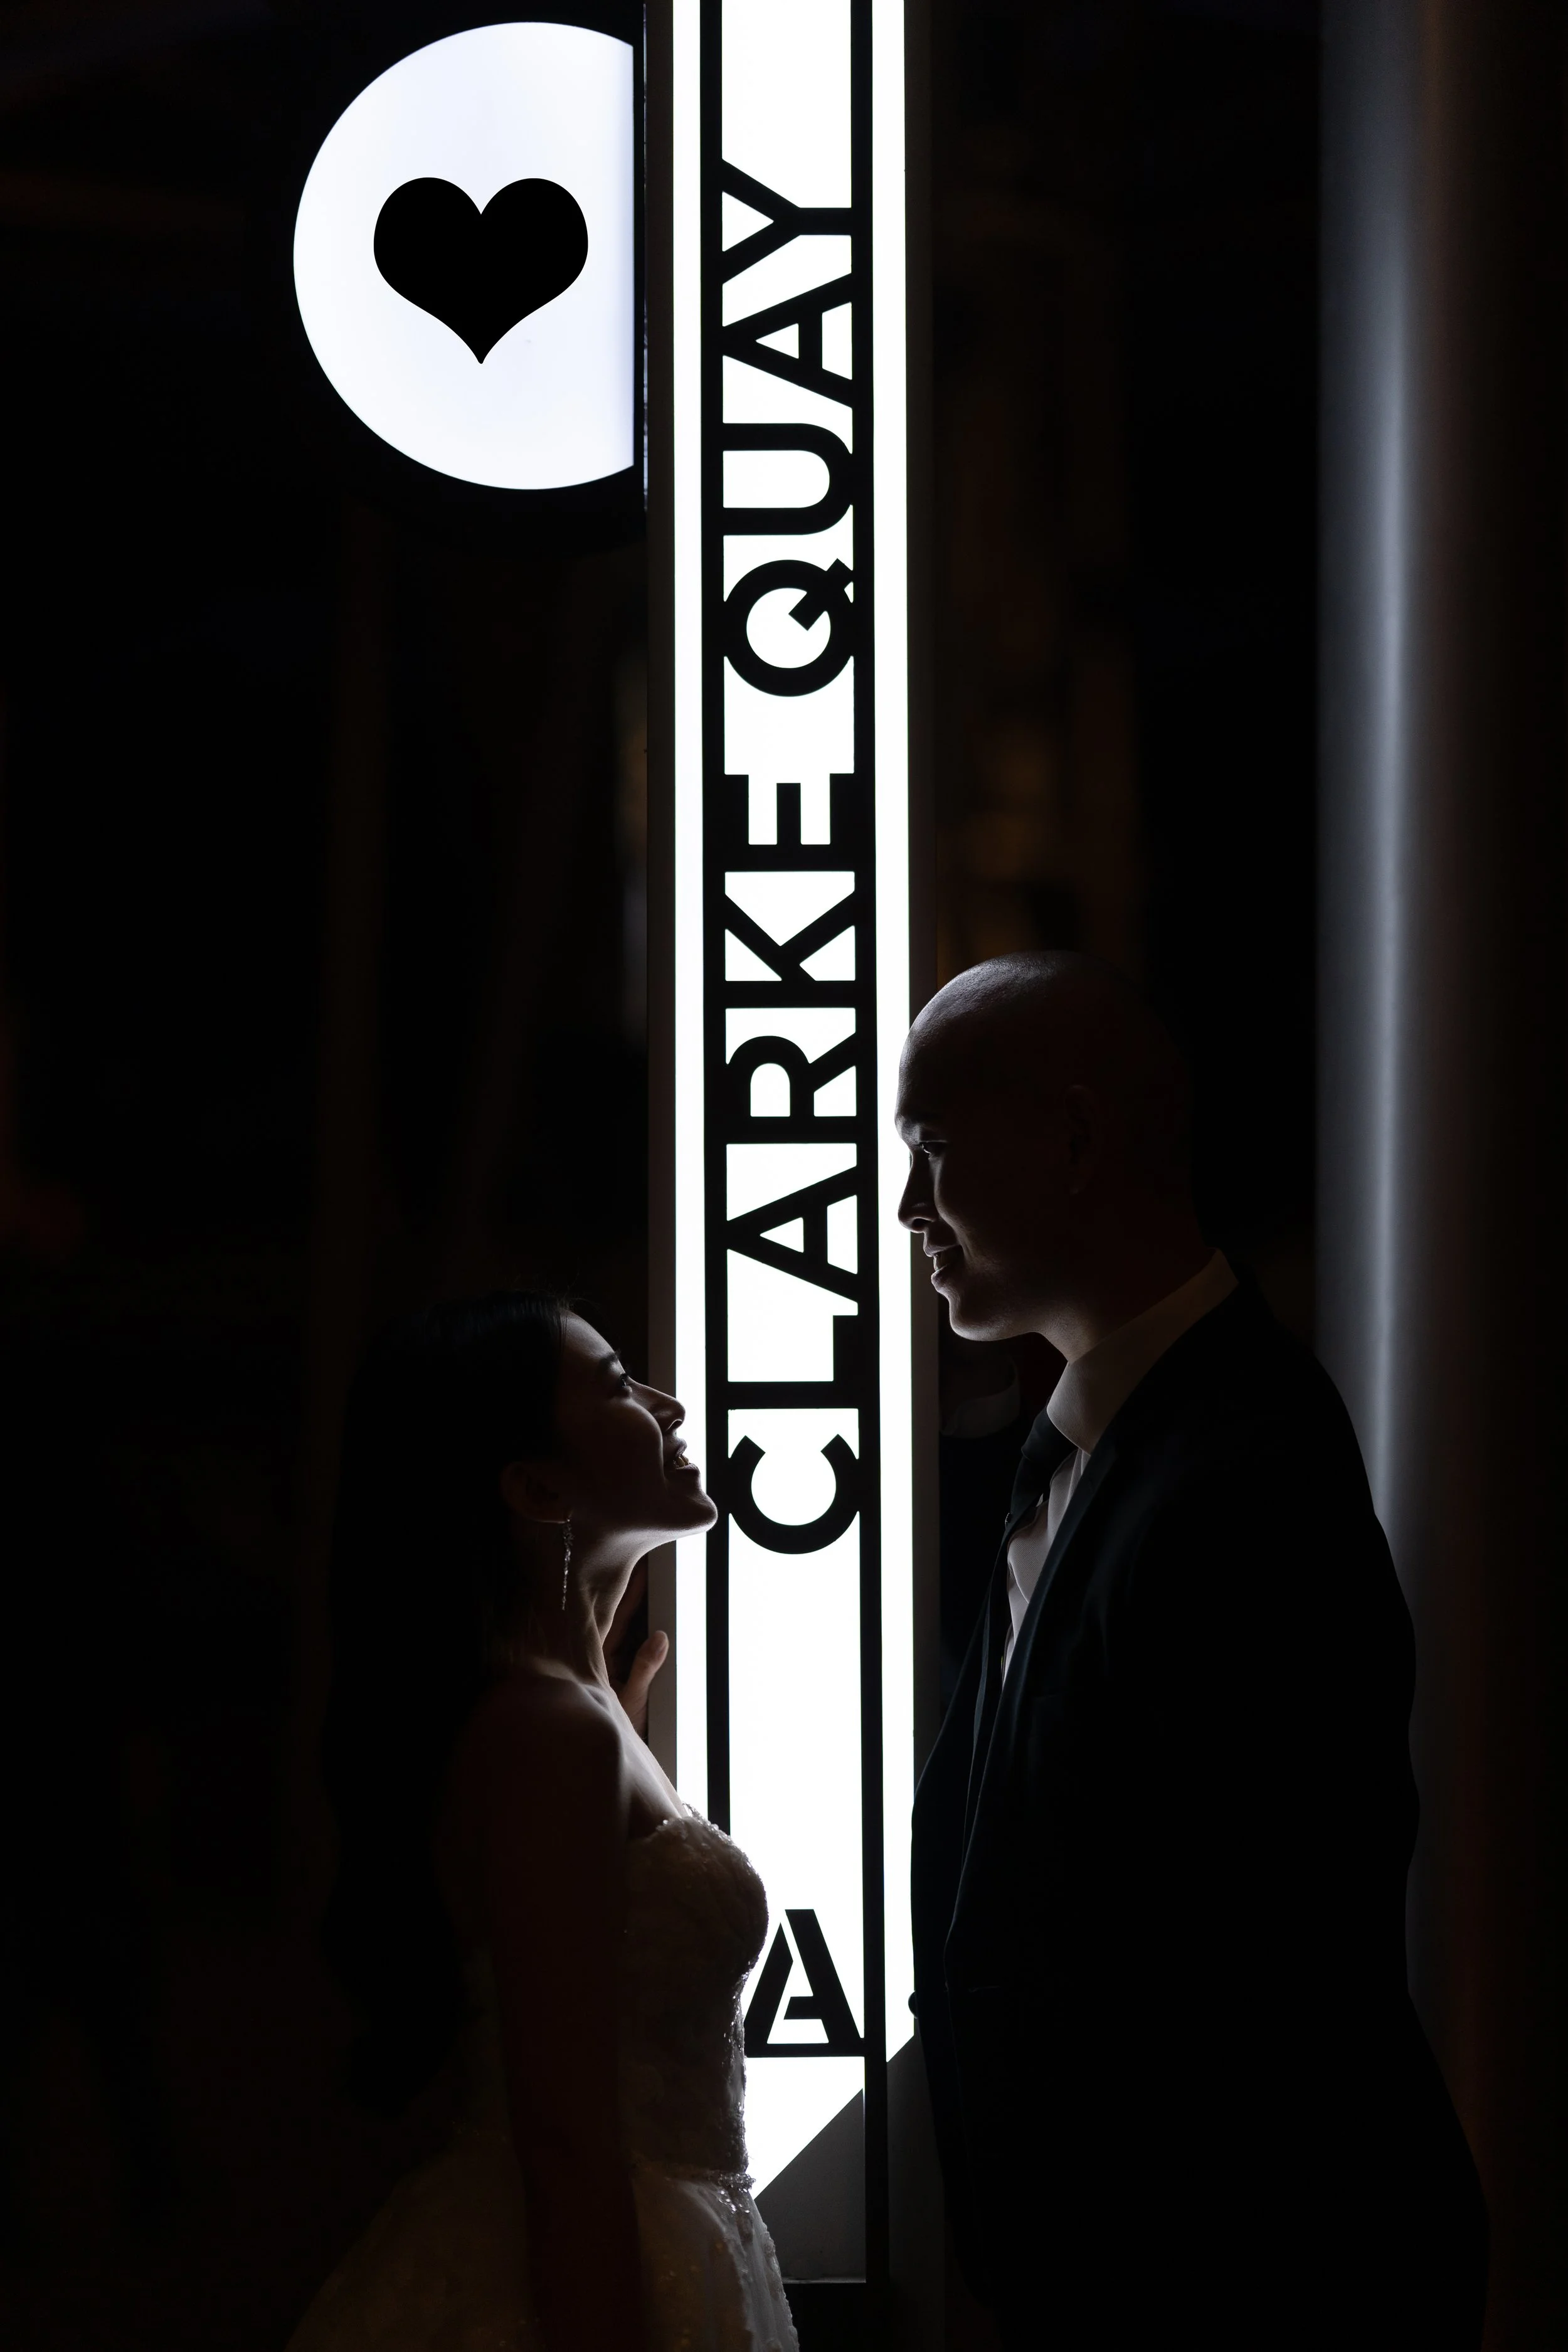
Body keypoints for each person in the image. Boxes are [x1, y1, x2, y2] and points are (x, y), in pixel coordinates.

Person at [898, 952, 1487, 2350]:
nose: (908, 1209)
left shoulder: (1240, 1473)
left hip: (1242, 2281)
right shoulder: (1106, 1450)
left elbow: (1262, 1964)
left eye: (929, 1152)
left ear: (1076, 1142)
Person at [285, 1293, 798, 2352]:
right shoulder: (549, 1734)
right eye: (617, 1384)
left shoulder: (582, 1707)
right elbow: (565, 2138)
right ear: (535, 1485)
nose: (669, 1404)